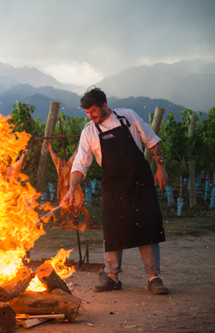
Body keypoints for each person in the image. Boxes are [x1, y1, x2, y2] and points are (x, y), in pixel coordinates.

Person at [62, 87, 169, 295]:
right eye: (86, 113)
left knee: (147, 227)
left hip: (139, 181)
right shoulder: (89, 131)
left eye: (93, 111)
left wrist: (161, 168)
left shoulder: (127, 116)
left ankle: (154, 277)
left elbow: (152, 141)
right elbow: (80, 165)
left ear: (104, 105)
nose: (90, 116)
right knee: (112, 231)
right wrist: (71, 189)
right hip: (112, 185)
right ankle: (111, 277)